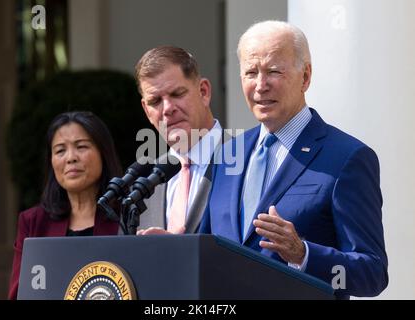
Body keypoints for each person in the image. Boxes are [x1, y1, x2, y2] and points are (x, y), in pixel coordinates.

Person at [199, 20, 388, 298]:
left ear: (305, 77)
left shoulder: (347, 157)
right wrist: (177, 250)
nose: (261, 85)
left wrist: (303, 254)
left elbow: (371, 276)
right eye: (251, 72)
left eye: (274, 71)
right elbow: (210, 248)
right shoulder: (229, 153)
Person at [8, 111, 123, 299]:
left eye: (82, 146)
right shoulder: (33, 222)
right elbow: (19, 294)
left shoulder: (129, 214)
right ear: (51, 162)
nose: (71, 158)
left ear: (103, 153)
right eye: (60, 150)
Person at [134, 46, 223, 235]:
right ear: (146, 111)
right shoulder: (142, 183)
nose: (167, 108)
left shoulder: (248, 158)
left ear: (204, 91)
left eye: (177, 94)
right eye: (155, 101)